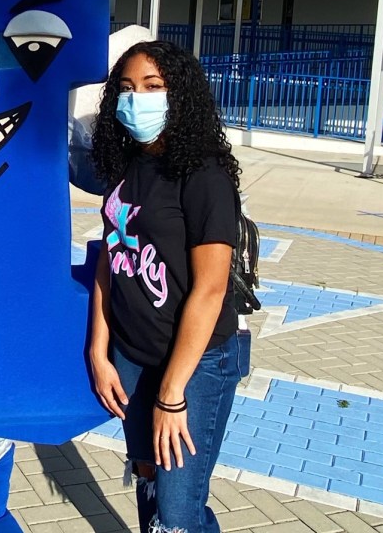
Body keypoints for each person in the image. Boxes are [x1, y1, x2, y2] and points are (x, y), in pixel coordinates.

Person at [87, 39, 248, 533]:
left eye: (153, 87)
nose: (137, 99)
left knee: (178, 513)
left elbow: (211, 290)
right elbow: (110, 261)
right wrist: (100, 349)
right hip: (132, 358)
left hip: (193, 368)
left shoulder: (205, 175)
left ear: (180, 95)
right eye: (128, 88)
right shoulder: (126, 164)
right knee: (147, 477)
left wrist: (172, 394)